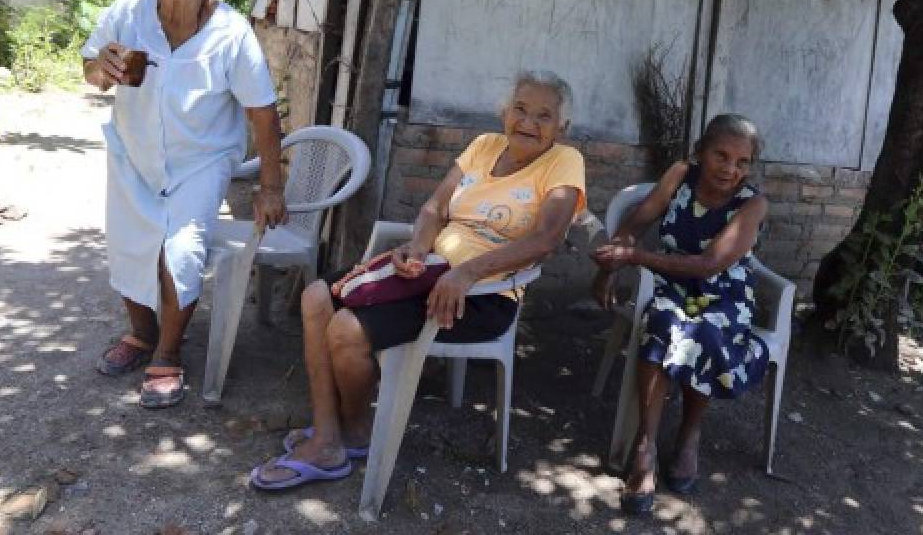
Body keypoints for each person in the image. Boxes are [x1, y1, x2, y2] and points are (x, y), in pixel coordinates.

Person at [250, 71, 587, 490]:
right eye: (520, 109)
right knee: (317, 295)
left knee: (346, 328)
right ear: (505, 112)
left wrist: (467, 272)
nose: (528, 122)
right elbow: (433, 208)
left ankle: (348, 434)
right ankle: (329, 432)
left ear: (562, 127)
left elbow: (547, 238)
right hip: (429, 273)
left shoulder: (564, 161)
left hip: (484, 295)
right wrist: (417, 248)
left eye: (543, 115)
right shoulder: (484, 146)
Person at [82, 0, 287, 409]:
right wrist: (101, 70)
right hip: (134, 154)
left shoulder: (231, 32)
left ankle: (169, 352)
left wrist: (271, 185)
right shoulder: (127, 12)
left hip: (202, 161)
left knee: (181, 249)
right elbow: (90, 69)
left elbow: (262, 112)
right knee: (131, 246)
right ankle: (140, 334)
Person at [590, 114, 769, 514]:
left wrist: (633, 257)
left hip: (725, 294)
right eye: (721, 155)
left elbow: (710, 265)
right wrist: (610, 264)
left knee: (705, 333)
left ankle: (689, 433)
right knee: (663, 323)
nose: (730, 169)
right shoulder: (679, 175)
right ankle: (645, 447)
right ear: (701, 151)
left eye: (741, 162)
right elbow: (637, 221)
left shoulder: (752, 203)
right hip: (670, 284)